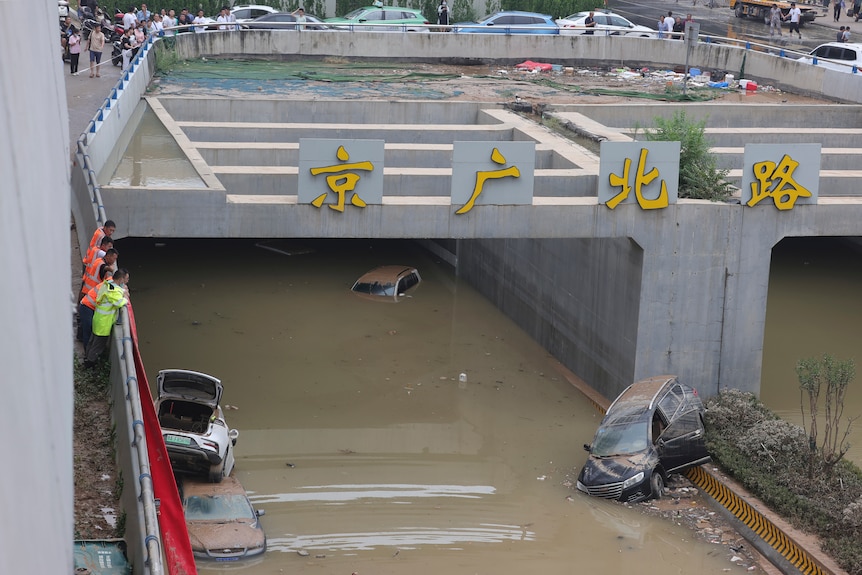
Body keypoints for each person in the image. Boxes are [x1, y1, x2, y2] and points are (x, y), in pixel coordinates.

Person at [84, 268, 130, 368]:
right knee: (98, 346)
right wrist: (125, 297)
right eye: (126, 279)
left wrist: (122, 291)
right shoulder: (113, 292)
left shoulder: (107, 284)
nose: (127, 281)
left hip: (98, 319)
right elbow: (119, 302)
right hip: (104, 323)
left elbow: (115, 291)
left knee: (92, 342)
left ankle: (87, 359)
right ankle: (90, 364)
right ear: (121, 279)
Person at [78, 266, 113, 348]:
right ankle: (86, 353)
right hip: (87, 306)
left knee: (86, 328)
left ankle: (83, 342)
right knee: (88, 330)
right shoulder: (109, 286)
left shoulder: (108, 282)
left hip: (87, 303)